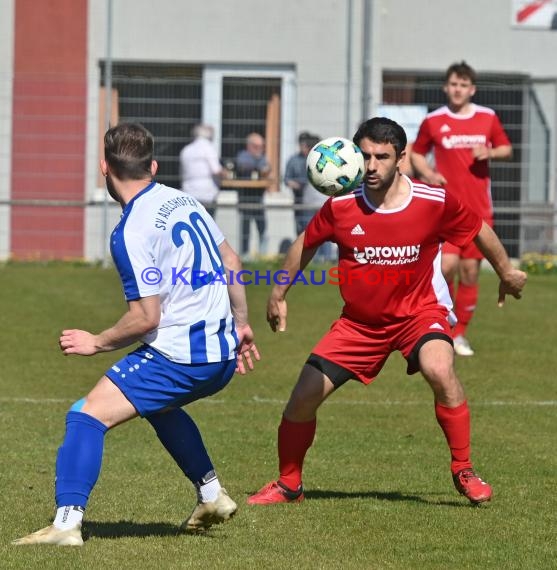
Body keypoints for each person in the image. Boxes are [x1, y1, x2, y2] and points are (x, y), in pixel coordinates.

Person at [247, 117, 526, 508]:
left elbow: (478, 227)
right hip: (359, 325)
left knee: (440, 370)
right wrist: (278, 293)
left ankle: (463, 469)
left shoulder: (432, 201)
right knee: (302, 398)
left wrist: (507, 271)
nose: (373, 165)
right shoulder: (341, 206)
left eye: (382, 156)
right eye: (365, 156)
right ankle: (289, 483)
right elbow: (304, 244)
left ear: (401, 158)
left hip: (419, 314)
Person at [13, 123, 260, 546]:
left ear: (104, 169)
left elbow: (146, 317)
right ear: (154, 166)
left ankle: (66, 525)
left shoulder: (130, 232)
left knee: (85, 416)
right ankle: (212, 495)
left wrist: (97, 341)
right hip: (219, 354)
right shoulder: (185, 200)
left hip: (181, 357)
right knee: (158, 408)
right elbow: (230, 259)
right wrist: (241, 323)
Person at [411, 61, 513, 356]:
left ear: (472, 89)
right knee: (445, 267)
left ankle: (460, 334)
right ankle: (441, 326)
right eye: (453, 84)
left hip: (479, 209)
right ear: (446, 87)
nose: (457, 90)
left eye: (463, 85)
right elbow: (417, 153)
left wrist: (490, 151)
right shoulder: (433, 120)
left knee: (470, 272)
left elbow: (507, 148)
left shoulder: (488, 117)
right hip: (445, 211)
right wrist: (428, 175)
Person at [284, 132, 335, 262]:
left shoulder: (321, 160)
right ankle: (313, 259)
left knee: (323, 231)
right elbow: (289, 178)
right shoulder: (297, 160)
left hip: (320, 201)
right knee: (308, 231)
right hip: (305, 202)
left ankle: (325, 258)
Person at [235, 132, 271, 258]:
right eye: (257, 146)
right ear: (249, 146)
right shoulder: (243, 156)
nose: (260, 149)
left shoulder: (261, 157)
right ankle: (245, 255)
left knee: (262, 227)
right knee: (245, 229)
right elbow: (243, 165)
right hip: (245, 198)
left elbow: (267, 168)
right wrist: (259, 165)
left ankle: (262, 255)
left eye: (262, 147)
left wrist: (261, 166)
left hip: (258, 198)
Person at [179, 123, 223, 218]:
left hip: (188, 192)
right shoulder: (208, 148)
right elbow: (216, 170)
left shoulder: (186, 150)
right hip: (207, 194)